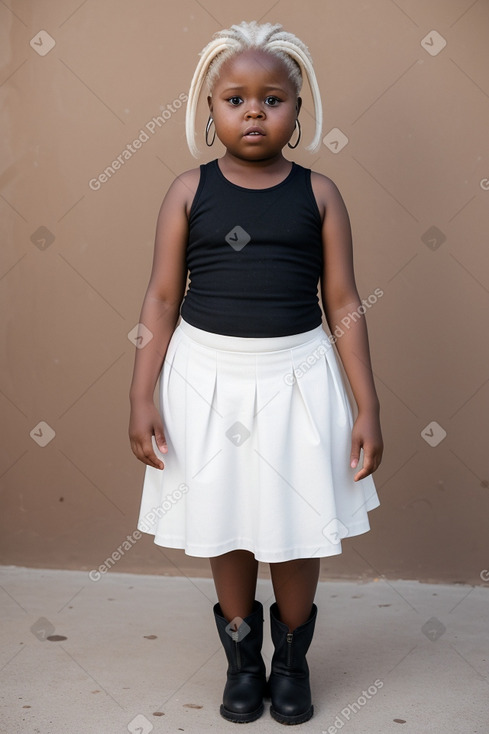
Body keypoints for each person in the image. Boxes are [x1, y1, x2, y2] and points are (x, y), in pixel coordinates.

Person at [128, 20, 383, 726]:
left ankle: (290, 664)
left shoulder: (320, 194)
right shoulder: (188, 191)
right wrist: (140, 392)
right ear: (209, 109)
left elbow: (343, 304)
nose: (253, 112)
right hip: (205, 380)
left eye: (272, 99)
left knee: (297, 527)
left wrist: (367, 405)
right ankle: (243, 663)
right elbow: (159, 297)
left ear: (297, 111)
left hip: (298, 379)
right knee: (228, 526)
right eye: (235, 99)